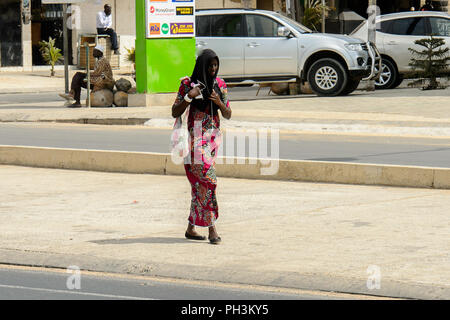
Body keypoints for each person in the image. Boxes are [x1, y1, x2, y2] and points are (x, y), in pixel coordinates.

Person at [172, 49, 232, 245]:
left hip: (213, 138)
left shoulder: (220, 85)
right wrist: (190, 96)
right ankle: (212, 228)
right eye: (210, 66)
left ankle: (191, 227)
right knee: (208, 179)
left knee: (200, 183)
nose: (213, 69)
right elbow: (175, 111)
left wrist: (218, 102)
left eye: (215, 66)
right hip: (195, 137)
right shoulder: (188, 84)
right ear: (202, 66)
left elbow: (228, 114)